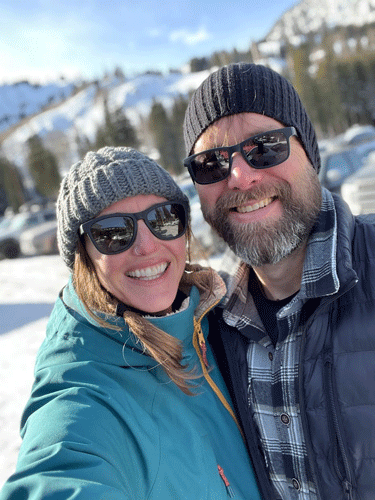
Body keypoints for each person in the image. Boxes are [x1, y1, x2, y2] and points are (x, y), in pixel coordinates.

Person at [0, 147, 262, 500]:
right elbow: (63, 468)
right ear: (83, 255)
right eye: (113, 232)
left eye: (163, 218)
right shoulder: (85, 391)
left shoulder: (214, 319)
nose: (147, 245)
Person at [182, 62, 375, 500]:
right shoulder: (213, 330)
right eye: (211, 163)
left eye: (264, 147)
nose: (241, 176)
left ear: (308, 151)